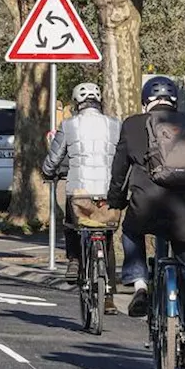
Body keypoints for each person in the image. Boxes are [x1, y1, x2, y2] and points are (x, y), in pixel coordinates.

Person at [107, 76, 185, 368]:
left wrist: (116, 200)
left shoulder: (132, 124)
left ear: (146, 101)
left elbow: (120, 169)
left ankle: (140, 283)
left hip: (146, 206)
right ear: (175, 101)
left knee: (130, 231)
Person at [42, 82, 122, 317]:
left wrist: (47, 172)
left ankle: (74, 259)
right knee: (106, 237)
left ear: (77, 103)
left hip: (80, 191)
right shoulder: (115, 125)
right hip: (109, 192)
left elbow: (54, 157)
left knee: (71, 222)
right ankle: (108, 297)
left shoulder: (69, 125)